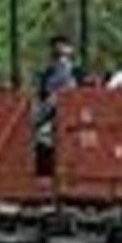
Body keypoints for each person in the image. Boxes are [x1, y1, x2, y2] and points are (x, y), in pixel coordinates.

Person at [33, 35, 77, 176]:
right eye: (60, 47)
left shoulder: (71, 70)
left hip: (65, 110)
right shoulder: (51, 70)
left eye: (64, 46)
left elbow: (71, 89)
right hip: (52, 110)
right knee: (42, 137)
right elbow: (45, 93)